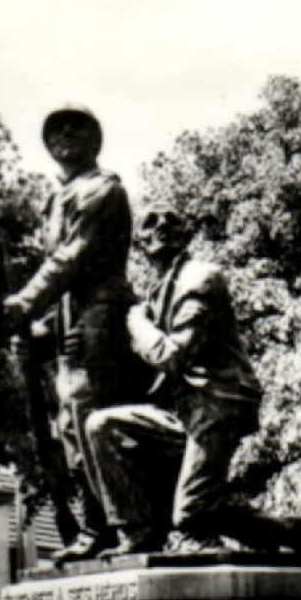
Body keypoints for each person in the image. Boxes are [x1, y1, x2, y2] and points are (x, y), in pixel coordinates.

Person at [5, 106, 148, 563]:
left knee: (96, 420)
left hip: (100, 318)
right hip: (70, 317)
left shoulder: (103, 190)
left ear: (95, 140)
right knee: (71, 429)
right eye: (55, 130)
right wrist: (39, 329)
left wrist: (27, 302)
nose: (64, 135)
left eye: (76, 128)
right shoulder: (57, 197)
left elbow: (73, 257)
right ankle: (95, 528)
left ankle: (128, 524)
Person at [85, 206, 264, 556]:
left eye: (173, 219)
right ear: (140, 242)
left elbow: (170, 355)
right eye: (151, 222)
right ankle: (139, 532)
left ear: (187, 234)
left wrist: (135, 321)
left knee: (191, 521)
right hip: (181, 411)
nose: (163, 225)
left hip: (217, 405)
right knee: (101, 425)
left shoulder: (201, 277)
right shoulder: (156, 294)